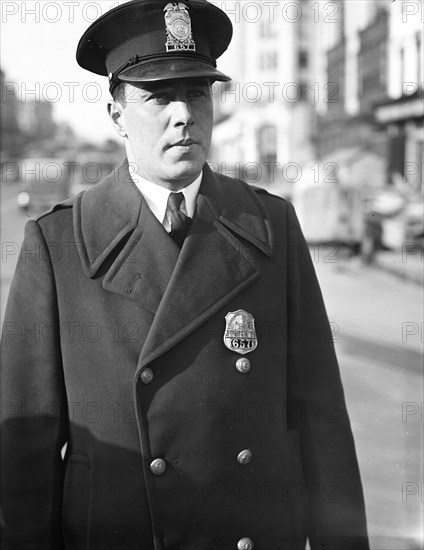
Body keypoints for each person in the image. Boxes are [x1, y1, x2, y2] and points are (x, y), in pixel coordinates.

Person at [0, 1, 369, 549]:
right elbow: (24, 454)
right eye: (157, 97)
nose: (184, 115)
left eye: (197, 93)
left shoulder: (270, 225)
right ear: (117, 114)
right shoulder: (57, 245)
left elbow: (322, 422)